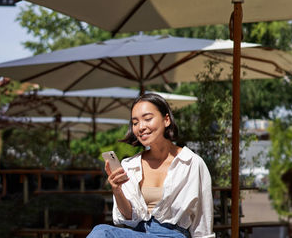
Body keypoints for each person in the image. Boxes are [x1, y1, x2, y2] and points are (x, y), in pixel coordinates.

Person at [88, 93, 214, 238]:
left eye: (147, 119)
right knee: (101, 231)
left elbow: (203, 221)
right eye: (135, 123)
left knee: (102, 233)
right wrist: (117, 190)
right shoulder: (130, 165)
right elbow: (128, 216)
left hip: (173, 235)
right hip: (138, 233)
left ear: (166, 120)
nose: (141, 127)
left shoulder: (191, 163)